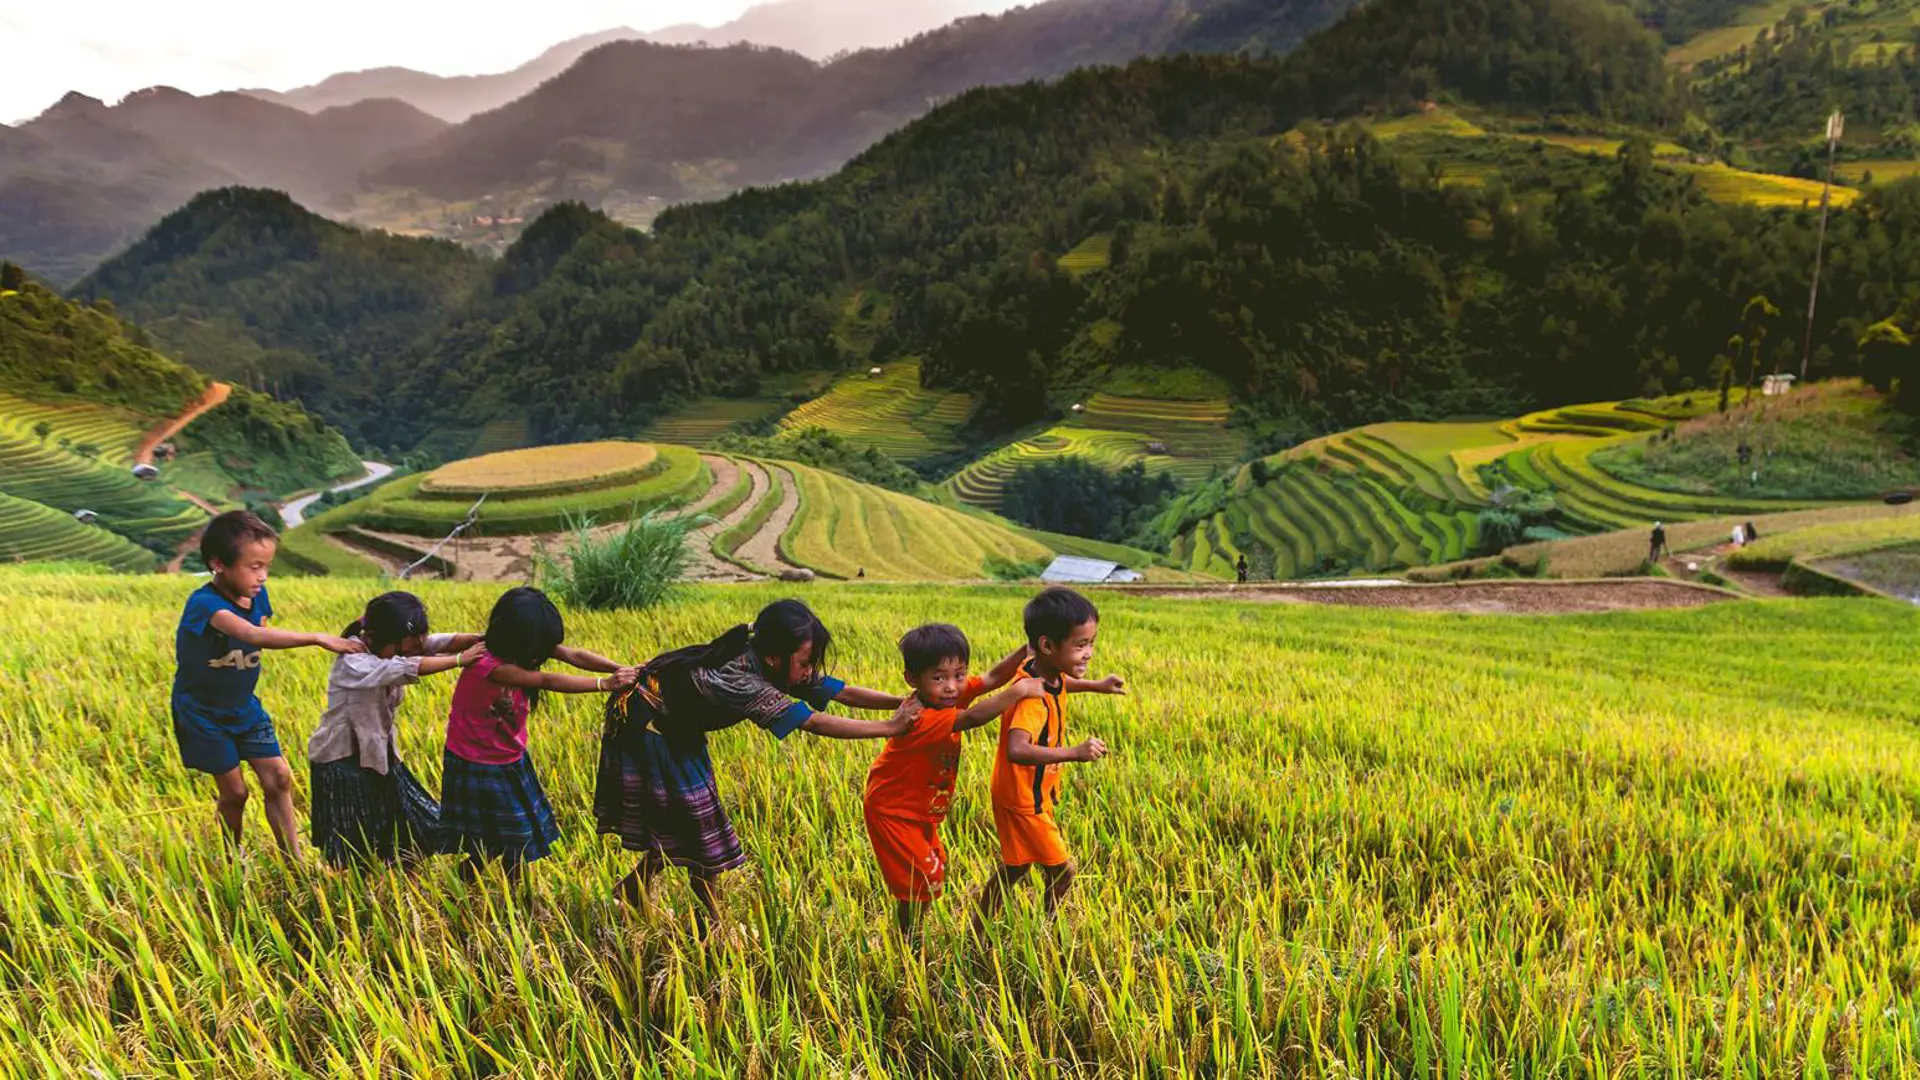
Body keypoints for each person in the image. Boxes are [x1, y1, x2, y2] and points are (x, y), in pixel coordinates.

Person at [596, 599, 908, 934]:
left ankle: (631, 892)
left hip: (674, 729)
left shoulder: (772, 658)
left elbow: (842, 692)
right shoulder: (742, 678)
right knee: (702, 835)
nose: (809, 671)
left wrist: (902, 703)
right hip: (648, 731)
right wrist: (890, 729)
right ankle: (711, 927)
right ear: (774, 657)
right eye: (805, 662)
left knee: (682, 824)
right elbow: (814, 722)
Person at [867, 624, 1124, 939]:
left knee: (931, 877)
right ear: (913, 680)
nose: (952, 687)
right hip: (893, 809)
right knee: (918, 882)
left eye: (959, 675)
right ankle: (909, 939)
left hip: (921, 807)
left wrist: (1024, 649)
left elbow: (991, 678)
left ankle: (920, 932)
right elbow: (973, 718)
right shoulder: (921, 716)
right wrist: (1017, 691)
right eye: (939, 678)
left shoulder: (946, 696)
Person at [171, 510, 362, 856]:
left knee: (279, 778)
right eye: (254, 566)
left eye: (267, 566)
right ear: (218, 564)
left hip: (244, 708)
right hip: (203, 713)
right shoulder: (205, 604)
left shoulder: (257, 596)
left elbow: (257, 625)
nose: (263, 576)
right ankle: (231, 858)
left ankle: (295, 860)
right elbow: (249, 633)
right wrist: (317, 638)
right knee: (236, 794)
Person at [440, 587, 636, 883]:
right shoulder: (489, 665)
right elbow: (546, 679)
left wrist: (623, 669)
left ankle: (466, 878)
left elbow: (573, 655)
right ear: (518, 639)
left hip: (507, 756)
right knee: (514, 839)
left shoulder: (521, 647)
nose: (544, 653)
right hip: (478, 761)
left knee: (499, 835)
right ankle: (520, 901)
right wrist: (604, 684)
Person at [974, 588, 1119, 929]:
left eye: (1092, 643)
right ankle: (1047, 929)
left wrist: (1098, 685)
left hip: (1020, 793)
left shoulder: (1044, 671)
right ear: (1048, 646)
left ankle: (978, 930)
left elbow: (1062, 683)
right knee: (1062, 869)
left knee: (1017, 866)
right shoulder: (1032, 699)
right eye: (1080, 645)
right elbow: (1017, 748)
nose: (1089, 653)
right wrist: (1075, 753)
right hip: (1025, 800)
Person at [307, 592, 481, 869]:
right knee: (354, 848)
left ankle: (401, 886)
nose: (410, 651)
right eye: (404, 647)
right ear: (376, 636)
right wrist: (460, 660)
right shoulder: (353, 660)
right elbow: (403, 667)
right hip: (342, 762)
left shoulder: (392, 644)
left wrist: (484, 639)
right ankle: (360, 900)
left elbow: (437, 643)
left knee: (415, 828)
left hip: (379, 756)